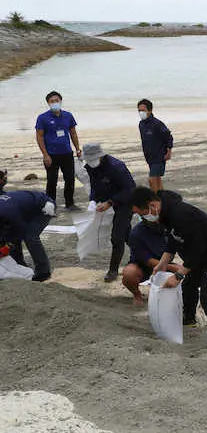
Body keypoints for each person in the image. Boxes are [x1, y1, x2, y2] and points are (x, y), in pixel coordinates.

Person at [129, 187, 207, 348]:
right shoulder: (164, 214)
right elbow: (173, 240)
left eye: (143, 214)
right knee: (189, 286)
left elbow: (198, 248)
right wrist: (162, 263)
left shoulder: (182, 215)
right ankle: (189, 320)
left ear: (152, 205)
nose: (144, 218)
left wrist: (179, 275)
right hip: (198, 257)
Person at [82, 143, 137, 282]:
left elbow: (130, 189)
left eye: (93, 159)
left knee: (117, 237)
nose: (91, 162)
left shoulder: (116, 167)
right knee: (126, 234)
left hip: (125, 202)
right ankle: (145, 253)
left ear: (100, 156)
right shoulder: (90, 167)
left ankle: (113, 270)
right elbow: (94, 185)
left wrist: (110, 202)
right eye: (88, 160)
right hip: (107, 200)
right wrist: (93, 200)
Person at [34, 91, 82, 211]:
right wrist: (45, 155)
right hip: (51, 154)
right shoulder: (42, 118)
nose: (55, 103)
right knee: (52, 181)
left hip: (67, 153)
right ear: (48, 103)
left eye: (57, 100)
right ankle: (51, 206)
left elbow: (73, 133)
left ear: (60, 101)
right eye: (52, 101)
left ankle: (69, 203)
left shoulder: (68, 116)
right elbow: (39, 137)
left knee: (70, 179)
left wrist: (77, 149)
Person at [0, 190, 57, 282]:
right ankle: (20, 265)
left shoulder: (9, 213)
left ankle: (43, 272)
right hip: (25, 207)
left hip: (45, 207)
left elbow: (19, 231)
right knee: (10, 239)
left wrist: (7, 246)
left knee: (30, 237)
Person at [122, 221, 175, 305]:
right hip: (142, 266)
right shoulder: (136, 233)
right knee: (129, 274)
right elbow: (147, 261)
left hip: (165, 262)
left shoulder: (171, 227)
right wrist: (174, 268)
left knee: (187, 272)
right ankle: (137, 294)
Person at [137, 99, 173, 193]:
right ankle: (162, 198)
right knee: (157, 180)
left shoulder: (157, 124)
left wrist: (169, 151)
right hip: (149, 156)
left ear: (150, 110)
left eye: (143, 110)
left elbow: (168, 136)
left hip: (159, 156)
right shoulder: (141, 124)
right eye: (139, 110)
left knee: (152, 180)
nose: (141, 113)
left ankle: (155, 199)